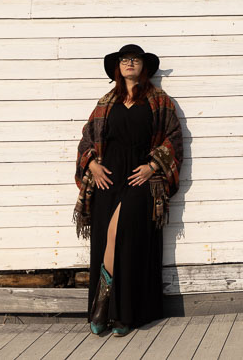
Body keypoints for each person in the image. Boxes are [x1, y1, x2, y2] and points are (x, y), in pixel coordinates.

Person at [73, 44, 183, 335]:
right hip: (107, 177)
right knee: (105, 239)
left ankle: (112, 309)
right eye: (124, 60)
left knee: (122, 236)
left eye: (134, 59)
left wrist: (153, 166)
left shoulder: (160, 101)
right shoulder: (106, 102)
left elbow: (173, 140)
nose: (129, 63)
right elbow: (86, 140)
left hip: (140, 178)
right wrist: (92, 165)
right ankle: (111, 310)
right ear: (117, 68)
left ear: (144, 67)